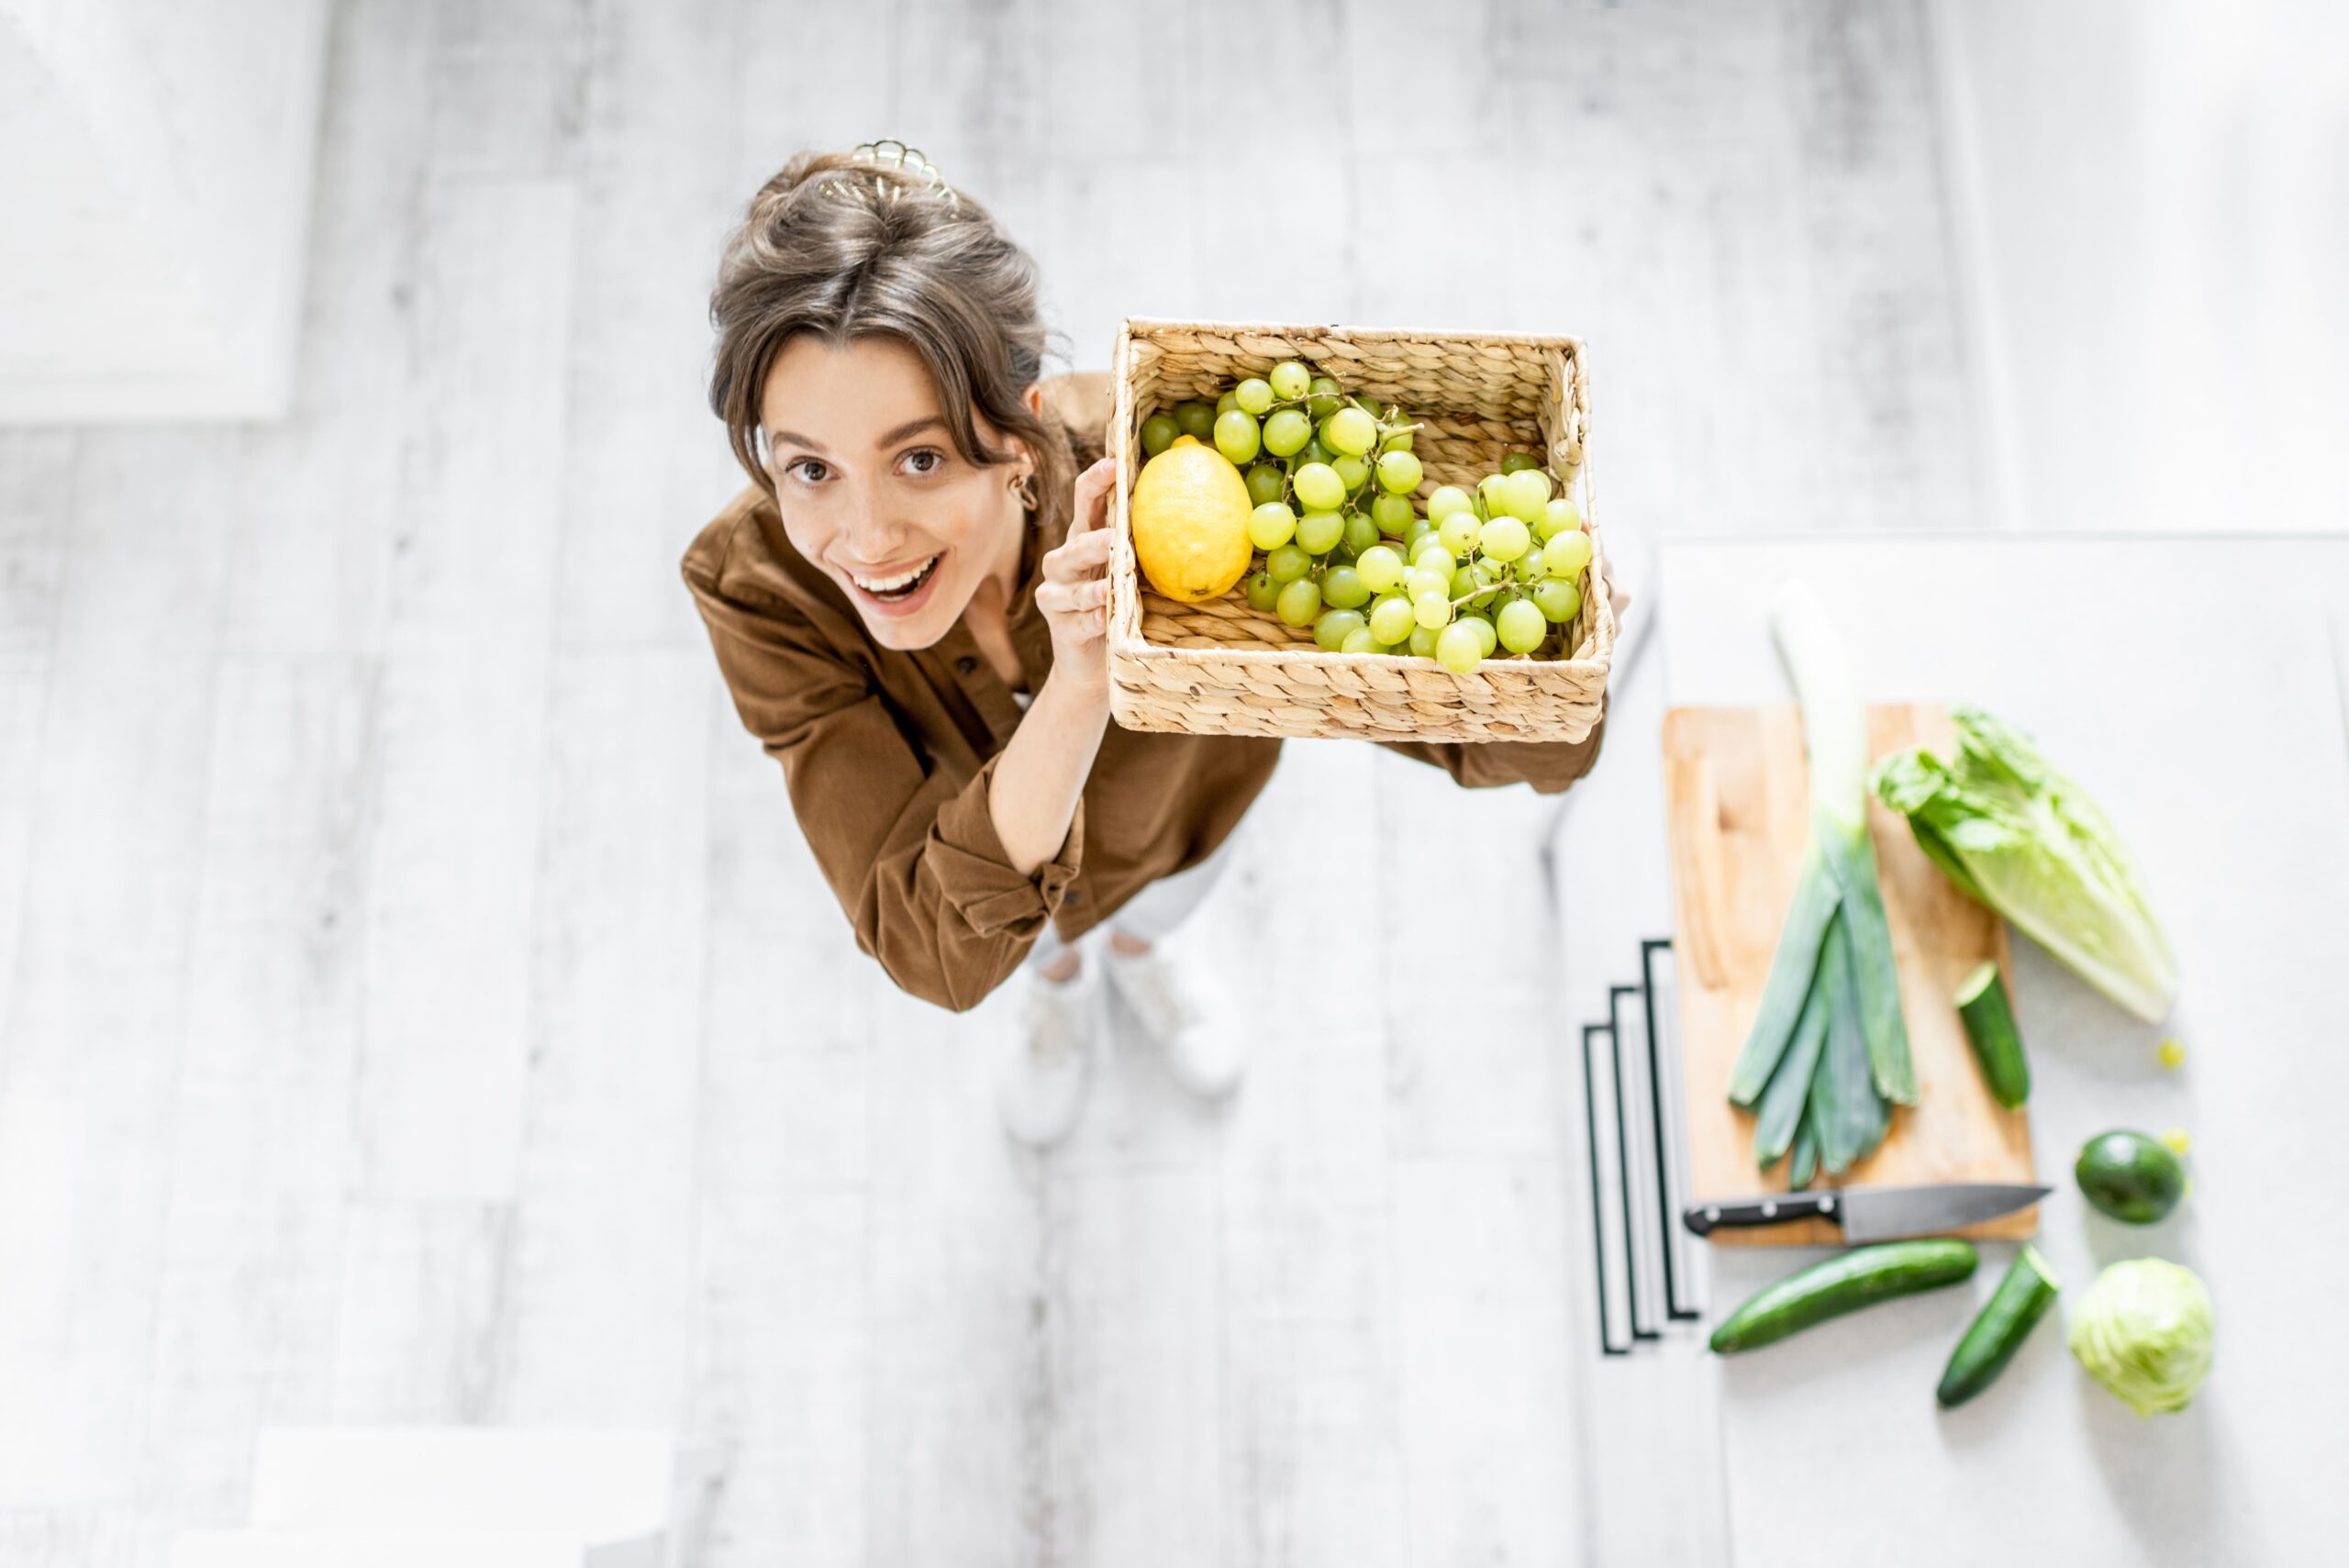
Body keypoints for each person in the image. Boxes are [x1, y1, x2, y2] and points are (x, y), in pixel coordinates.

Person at [680, 142, 1615, 1151]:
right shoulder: (756, 585)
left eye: (919, 458)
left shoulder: (1179, 473)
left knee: (1153, 912)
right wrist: (1077, 688)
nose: (866, 541)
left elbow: (1519, 748)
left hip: (1173, 841)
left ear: (1020, 433)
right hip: (991, 915)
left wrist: (1564, 648)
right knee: (1033, 949)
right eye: (810, 469)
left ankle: (1138, 953)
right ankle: (1061, 986)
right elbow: (936, 950)